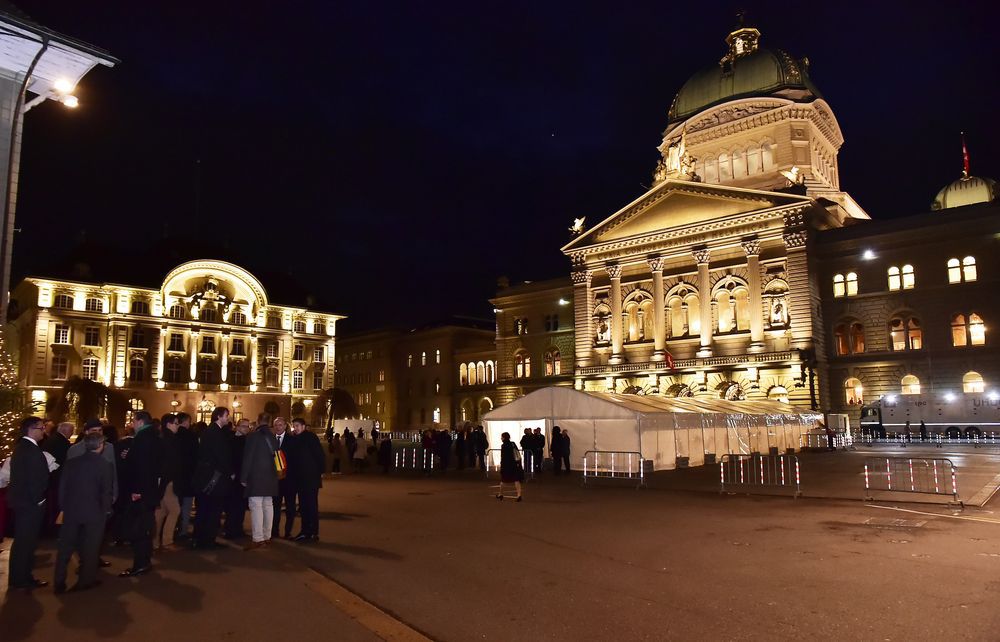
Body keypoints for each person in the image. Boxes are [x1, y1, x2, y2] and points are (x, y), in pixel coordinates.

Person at [54, 432, 114, 593]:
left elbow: (63, 488)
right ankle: (85, 580)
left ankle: (59, 581)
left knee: (65, 547)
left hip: (72, 510)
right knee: (91, 548)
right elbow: (106, 491)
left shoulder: (72, 463)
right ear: (100, 445)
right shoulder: (104, 464)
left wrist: (64, 507)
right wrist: (106, 510)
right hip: (94, 511)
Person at [7, 416, 50, 591]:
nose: (44, 431)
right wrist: (39, 500)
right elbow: (34, 480)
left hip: (23, 502)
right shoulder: (31, 450)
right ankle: (21, 579)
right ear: (32, 430)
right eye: (41, 428)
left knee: (23, 542)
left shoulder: (21, 447)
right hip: (29, 504)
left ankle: (20, 576)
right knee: (26, 543)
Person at [120, 410, 162, 577]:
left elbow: (142, 467)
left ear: (140, 422)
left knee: (138, 528)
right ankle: (145, 560)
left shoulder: (142, 439)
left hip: (141, 491)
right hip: (150, 490)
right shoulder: (154, 437)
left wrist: (137, 490)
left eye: (133, 421)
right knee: (145, 526)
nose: (132, 424)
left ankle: (140, 563)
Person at [192, 407, 233, 550]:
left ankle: (199, 538)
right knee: (212, 510)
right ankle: (207, 540)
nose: (228, 418)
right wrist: (230, 472)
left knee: (204, 509)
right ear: (219, 417)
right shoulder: (216, 433)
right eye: (226, 416)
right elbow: (222, 457)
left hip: (206, 476)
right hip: (214, 478)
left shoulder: (209, 431)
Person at [241, 412, 279, 550]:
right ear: (269, 422)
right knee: (268, 505)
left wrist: (243, 477)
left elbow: (248, 458)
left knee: (256, 506)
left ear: (258, 421)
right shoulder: (273, 437)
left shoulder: (253, 436)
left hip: (256, 477)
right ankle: (267, 535)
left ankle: (257, 538)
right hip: (271, 477)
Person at [289, 418, 324, 542]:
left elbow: (319, 455)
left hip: (310, 478)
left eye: (297, 425)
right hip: (300, 479)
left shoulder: (310, 437)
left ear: (303, 426)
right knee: (304, 506)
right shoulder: (295, 439)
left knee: (311, 506)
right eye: (294, 426)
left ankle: (312, 532)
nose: (295, 428)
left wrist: (319, 472)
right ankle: (305, 531)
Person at [155, 413, 183, 551]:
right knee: (175, 510)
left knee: (161, 511)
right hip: (168, 480)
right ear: (169, 424)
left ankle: (154, 541)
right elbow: (170, 462)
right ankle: (167, 541)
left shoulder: (161, 437)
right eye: (176, 423)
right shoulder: (170, 439)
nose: (178, 426)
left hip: (163, 479)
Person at [42, 421, 73, 535]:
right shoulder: (61, 442)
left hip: (52, 477)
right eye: (71, 431)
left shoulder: (54, 439)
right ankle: (53, 528)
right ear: (66, 431)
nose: (72, 433)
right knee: (55, 504)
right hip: (56, 478)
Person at [224, 418, 250, 540]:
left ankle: (238, 528)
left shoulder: (247, 440)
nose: (246, 428)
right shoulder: (231, 440)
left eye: (247, 426)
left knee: (241, 505)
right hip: (233, 477)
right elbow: (227, 458)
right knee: (233, 504)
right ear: (238, 427)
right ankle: (230, 529)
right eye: (244, 426)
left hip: (243, 476)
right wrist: (231, 472)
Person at [271, 417, 297, 539]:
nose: (278, 427)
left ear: (285, 426)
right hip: (275, 481)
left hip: (289, 480)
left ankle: (288, 532)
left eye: (280, 425)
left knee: (290, 507)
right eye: (276, 425)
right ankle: (274, 531)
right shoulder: (270, 440)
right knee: (275, 507)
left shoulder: (292, 440)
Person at [174, 412, 197, 539]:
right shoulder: (192, 436)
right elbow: (196, 456)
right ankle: (183, 529)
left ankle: (173, 527)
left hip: (176, 475)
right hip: (188, 475)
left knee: (175, 503)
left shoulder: (174, 435)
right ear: (186, 421)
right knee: (187, 505)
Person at [496, 432, 523, 502]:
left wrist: (502, 466)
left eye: (501, 437)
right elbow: (517, 453)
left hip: (507, 465)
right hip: (514, 465)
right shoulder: (513, 444)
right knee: (516, 480)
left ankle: (500, 494)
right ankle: (519, 495)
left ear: (504, 438)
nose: (501, 438)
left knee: (503, 480)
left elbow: (503, 457)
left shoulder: (503, 446)